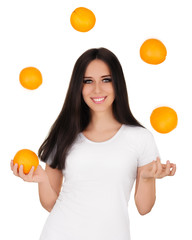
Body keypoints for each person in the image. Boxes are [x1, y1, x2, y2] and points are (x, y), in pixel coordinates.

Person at [11, 47, 176, 240]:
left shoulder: (140, 137)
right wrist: (41, 179)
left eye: (106, 80)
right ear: (78, 87)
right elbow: (51, 205)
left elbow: (144, 208)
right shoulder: (64, 133)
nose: (97, 89)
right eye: (88, 81)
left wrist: (147, 178)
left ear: (118, 84)